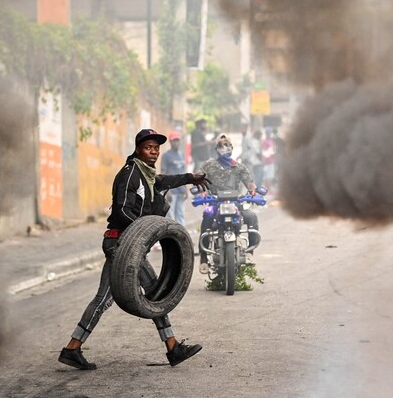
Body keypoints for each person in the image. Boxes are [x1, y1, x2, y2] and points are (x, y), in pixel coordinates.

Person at [59, 129, 210, 370]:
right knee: (154, 293)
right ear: (138, 149)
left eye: (156, 148)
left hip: (126, 245)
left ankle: (73, 348)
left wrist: (191, 177)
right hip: (121, 243)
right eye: (149, 147)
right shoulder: (131, 175)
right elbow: (121, 210)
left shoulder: (147, 176)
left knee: (109, 298)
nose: (154, 152)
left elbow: (164, 181)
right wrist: (141, 234)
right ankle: (172, 347)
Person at [197, 134, 259, 275]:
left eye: (227, 147)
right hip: (215, 203)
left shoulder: (239, 167)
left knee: (252, 217)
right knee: (207, 217)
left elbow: (249, 183)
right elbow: (199, 181)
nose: (224, 150)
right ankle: (203, 258)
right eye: (221, 147)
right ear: (216, 149)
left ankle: (250, 253)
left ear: (232, 149)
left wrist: (253, 191)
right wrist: (201, 192)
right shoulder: (208, 165)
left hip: (236, 203)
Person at [162, 131, 187, 226]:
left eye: (177, 140)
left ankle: (182, 237)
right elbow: (163, 173)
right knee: (170, 216)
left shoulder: (181, 155)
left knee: (180, 215)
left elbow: (183, 172)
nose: (176, 142)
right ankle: (172, 237)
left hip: (180, 190)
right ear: (170, 142)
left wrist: (185, 188)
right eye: (174, 141)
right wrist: (167, 191)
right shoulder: (166, 156)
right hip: (171, 191)